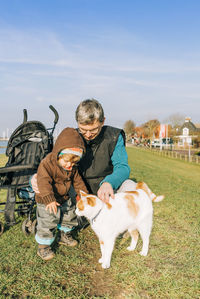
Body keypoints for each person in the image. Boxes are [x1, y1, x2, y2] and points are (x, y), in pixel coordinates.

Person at [31, 99, 131, 230]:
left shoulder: (114, 136)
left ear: (103, 121)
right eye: (83, 130)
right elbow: (52, 163)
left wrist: (109, 183)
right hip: (79, 188)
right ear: (77, 122)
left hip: (106, 188)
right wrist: (34, 177)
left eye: (94, 129)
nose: (88, 135)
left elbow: (123, 167)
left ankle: (125, 222)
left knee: (130, 185)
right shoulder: (70, 138)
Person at [34, 127, 88, 261]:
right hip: (47, 199)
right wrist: (49, 199)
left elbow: (78, 182)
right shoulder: (47, 164)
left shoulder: (72, 167)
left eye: (74, 162)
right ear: (58, 153)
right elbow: (43, 181)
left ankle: (64, 235)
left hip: (64, 197)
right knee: (48, 220)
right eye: (66, 161)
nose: (70, 165)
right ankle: (43, 247)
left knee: (69, 215)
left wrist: (84, 196)